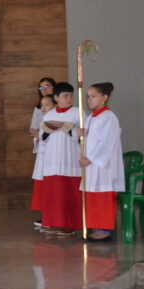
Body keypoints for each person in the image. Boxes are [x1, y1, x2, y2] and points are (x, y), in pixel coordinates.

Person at [79, 83, 124, 242]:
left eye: (93, 96)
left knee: (103, 196)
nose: (89, 100)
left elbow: (106, 142)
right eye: (88, 97)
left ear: (104, 98)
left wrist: (90, 158)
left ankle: (104, 230)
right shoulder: (92, 117)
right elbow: (91, 140)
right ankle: (97, 227)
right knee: (93, 196)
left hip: (103, 166)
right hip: (93, 166)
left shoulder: (109, 117)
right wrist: (82, 135)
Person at [39, 82, 82, 235]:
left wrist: (68, 128)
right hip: (53, 159)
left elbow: (84, 134)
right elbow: (42, 137)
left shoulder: (78, 112)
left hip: (70, 158)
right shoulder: (49, 114)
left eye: (70, 96)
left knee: (69, 193)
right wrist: (46, 131)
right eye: (65, 96)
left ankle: (71, 224)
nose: (69, 99)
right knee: (54, 193)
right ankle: (54, 222)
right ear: (56, 97)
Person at [30, 93, 55, 228]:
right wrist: (37, 135)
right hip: (43, 159)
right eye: (42, 106)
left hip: (52, 160)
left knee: (51, 190)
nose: (44, 108)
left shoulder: (55, 121)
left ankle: (52, 217)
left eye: (47, 105)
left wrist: (40, 134)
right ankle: (47, 216)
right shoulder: (44, 121)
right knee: (43, 190)